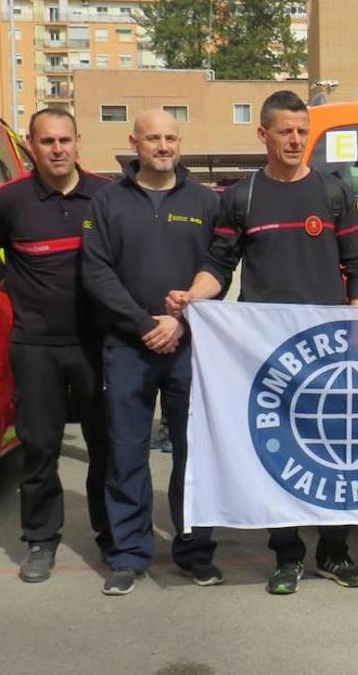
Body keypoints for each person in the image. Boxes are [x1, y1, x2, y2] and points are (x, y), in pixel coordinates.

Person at [165, 90, 358, 595]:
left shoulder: (334, 191)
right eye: (285, 130)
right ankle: (287, 553)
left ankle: (334, 551)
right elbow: (219, 264)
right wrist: (194, 295)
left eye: (302, 130)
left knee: (333, 449)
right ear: (263, 135)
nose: (296, 139)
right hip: (269, 354)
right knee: (282, 455)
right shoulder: (243, 197)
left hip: (328, 350)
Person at [82, 109, 223, 595]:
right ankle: (129, 553)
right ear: (134, 143)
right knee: (126, 453)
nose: (163, 146)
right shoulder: (107, 202)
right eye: (153, 138)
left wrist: (180, 319)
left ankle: (195, 551)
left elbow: (218, 266)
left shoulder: (207, 201)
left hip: (191, 346)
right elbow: (97, 274)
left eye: (171, 137)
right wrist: (145, 325)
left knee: (195, 454)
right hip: (127, 346)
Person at [0, 108, 111, 583]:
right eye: (47, 141)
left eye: (65, 140)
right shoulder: (9, 200)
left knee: (106, 445)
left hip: (97, 342)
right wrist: (9, 283)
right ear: (30, 145)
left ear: (78, 141)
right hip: (34, 344)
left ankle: (111, 533)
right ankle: (39, 539)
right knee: (39, 447)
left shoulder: (108, 195)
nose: (57, 149)